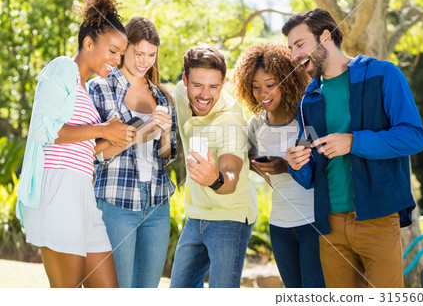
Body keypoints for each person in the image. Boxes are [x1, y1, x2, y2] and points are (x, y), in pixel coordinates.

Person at [283, 8, 423, 288]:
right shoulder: (308, 100)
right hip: (330, 226)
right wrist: (297, 163)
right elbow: (310, 168)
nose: (294, 55)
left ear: (325, 37)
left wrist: (353, 142)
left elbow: (413, 136)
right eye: (290, 48)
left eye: (299, 45)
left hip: (378, 218)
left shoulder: (383, 74)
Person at [16, 0, 135, 288]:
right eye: (112, 51)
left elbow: (83, 148)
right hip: (58, 188)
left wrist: (116, 139)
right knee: (66, 292)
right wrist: (104, 129)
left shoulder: (84, 88)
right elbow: (47, 132)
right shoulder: (62, 68)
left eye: (121, 54)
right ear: (88, 43)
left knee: (107, 291)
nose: (117, 59)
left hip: (83, 191)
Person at [88, 17, 177, 288]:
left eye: (151, 55)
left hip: (157, 203)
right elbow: (94, 152)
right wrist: (138, 132)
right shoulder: (100, 87)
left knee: (148, 289)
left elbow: (166, 156)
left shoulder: (161, 96)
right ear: (125, 48)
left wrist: (164, 131)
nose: (143, 61)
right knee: (118, 288)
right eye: (138, 53)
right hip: (116, 202)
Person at [233, 42, 325, 288]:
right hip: (280, 226)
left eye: (270, 85)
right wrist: (261, 166)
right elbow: (250, 158)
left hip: (313, 222)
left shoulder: (305, 120)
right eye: (256, 87)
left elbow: (322, 168)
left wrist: (285, 166)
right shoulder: (256, 125)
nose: (263, 93)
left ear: (288, 81)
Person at [169, 46, 258, 288]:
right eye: (197, 85)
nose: (205, 95)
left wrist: (215, 179)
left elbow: (230, 174)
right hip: (196, 215)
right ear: (185, 80)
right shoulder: (180, 92)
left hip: (230, 217)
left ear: (223, 83)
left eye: (214, 86)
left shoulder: (231, 121)